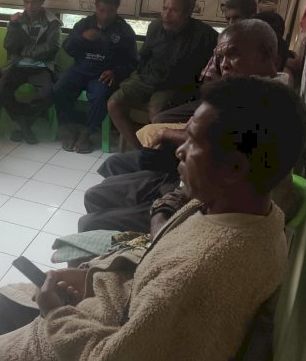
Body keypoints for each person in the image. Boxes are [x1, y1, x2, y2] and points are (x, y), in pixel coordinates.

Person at [0, 76, 306, 361]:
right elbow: (155, 273)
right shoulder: (249, 212)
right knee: (7, 303)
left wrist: (57, 313)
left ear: (235, 167)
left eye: (192, 142)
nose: (180, 151)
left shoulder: (202, 271)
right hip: (115, 314)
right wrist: (93, 278)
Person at [80, 19, 285, 234]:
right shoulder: (242, 92)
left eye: (233, 54)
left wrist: (163, 209)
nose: (224, 65)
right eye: (221, 57)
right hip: (180, 182)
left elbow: (214, 191)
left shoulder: (266, 113)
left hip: (190, 199)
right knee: (101, 185)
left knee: (91, 220)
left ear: (268, 56)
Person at [107, 0, 217, 148]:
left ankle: (156, 153)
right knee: (114, 104)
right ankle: (140, 150)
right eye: (165, 8)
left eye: (174, 10)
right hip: (147, 77)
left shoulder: (205, 35)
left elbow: (210, 70)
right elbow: (144, 56)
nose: (166, 14)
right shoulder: (155, 27)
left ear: (188, 13)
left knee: (157, 114)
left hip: (173, 85)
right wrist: (140, 76)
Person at [53, 0, 137, 153]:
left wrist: (115, 72)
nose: (105, 16)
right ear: (96, 7)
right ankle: (69, 129)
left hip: (103, 75)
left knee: (100, 96)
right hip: (80, 70)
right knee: (59, 88)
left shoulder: (124, 30)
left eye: (110, 11)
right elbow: (67, 48)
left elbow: (133, 61)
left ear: (117, 9)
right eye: (101, 10)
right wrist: (82, 39)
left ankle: (88, 134)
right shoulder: (84, 24)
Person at [0, 0, 62, 144]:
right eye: (26, 2)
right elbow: (9, 45)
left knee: (49, 93)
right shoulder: (17, 20)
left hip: (41, 66)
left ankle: (23, 123)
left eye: (34, 2)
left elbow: (51, 48)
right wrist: (13, 25)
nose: (30, 6)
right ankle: (24, 124)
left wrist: (26, 51)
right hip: (18, 64)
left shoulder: (52, 22)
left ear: (42, 1)